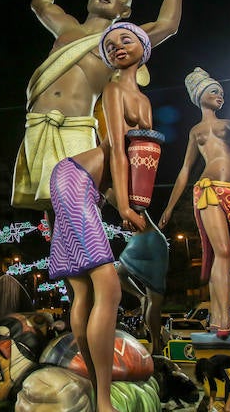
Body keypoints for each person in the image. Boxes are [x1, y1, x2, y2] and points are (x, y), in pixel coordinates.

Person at [12, 0, 204, 212]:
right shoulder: (67, 28)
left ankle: (131, 239)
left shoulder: (119, 41)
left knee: (77, 202)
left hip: (76, 127)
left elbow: (166, 25)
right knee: (52, 207)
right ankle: (65, 256)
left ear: (124, 10)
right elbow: (41, 4)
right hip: (37, 124)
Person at [48, 21, 156, 412]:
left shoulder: (142, 99)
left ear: (144, 48)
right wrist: (124, 206)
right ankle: (105, 401)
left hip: (86, 187)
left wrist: (129, 202)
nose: (117, 47)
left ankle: (96, 391)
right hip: (74, 178)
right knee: (107, 286)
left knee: (83, 288)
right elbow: (115, 152)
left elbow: (133, 161)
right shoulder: (112, 90)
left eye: (125, 39)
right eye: (109, 45)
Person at [159, 67, 230, 338]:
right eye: (214, 91)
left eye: (221, 92)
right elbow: (185, 170)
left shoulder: (228, 125)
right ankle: (222, 320)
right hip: (208, 190)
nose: (220, 96)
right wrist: (169, 206)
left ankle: (217, 317)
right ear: (200, 96)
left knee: (220, 255)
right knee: (221, 252)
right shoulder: (195, 131)